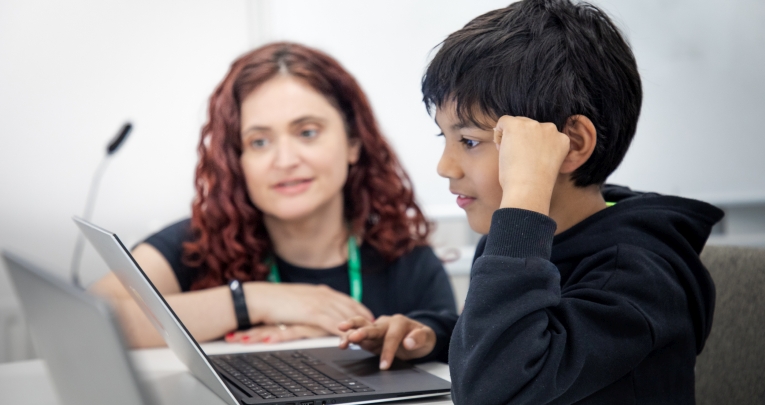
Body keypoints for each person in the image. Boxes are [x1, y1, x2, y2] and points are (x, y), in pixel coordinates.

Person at [340, 0, 723, 403]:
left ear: (570, 144)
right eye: (445, 139)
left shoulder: (636, 275)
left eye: (469, 141)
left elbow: (494, 390)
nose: (445, 166)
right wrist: (433, 336)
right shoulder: (521, 236)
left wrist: (522, 202)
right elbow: (524, 332)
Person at [90, 42, 457, 360]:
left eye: (307, 132)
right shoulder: (197, 242)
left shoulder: (408, 262)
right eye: (259, 142)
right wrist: (252, 301)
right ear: (238, 160)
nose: (284, 160)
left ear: (352, 143)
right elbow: (93, 318)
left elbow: (447, 349)